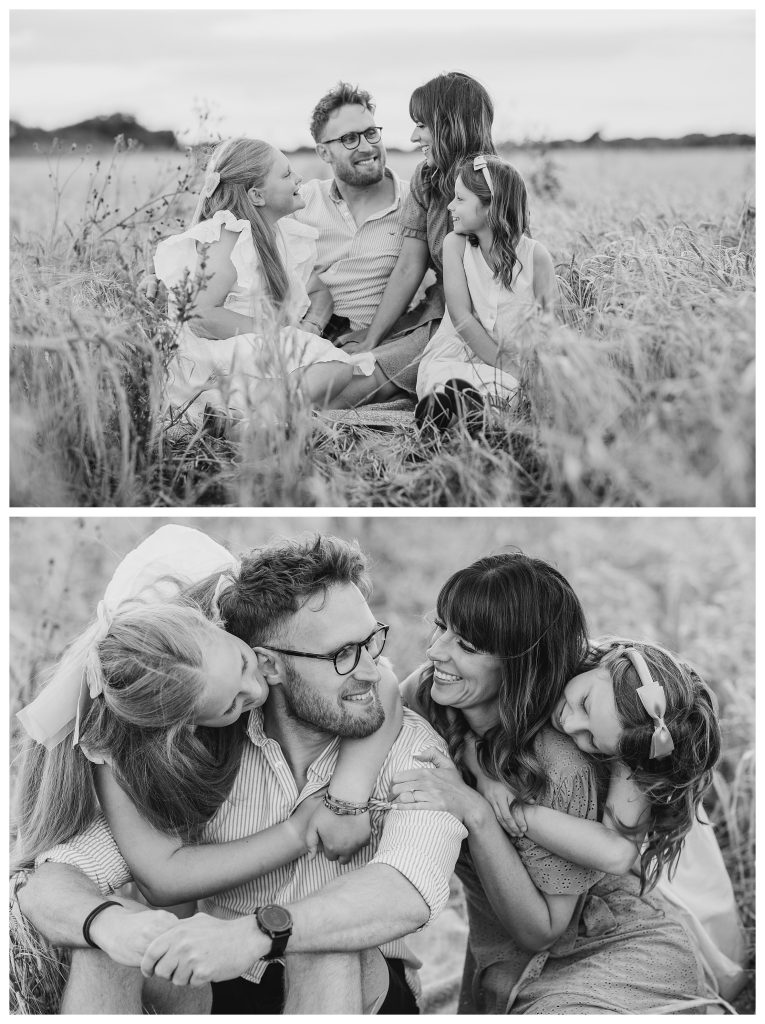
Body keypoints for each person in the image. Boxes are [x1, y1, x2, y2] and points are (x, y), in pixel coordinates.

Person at [16, 531, 466, 1014]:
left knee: (324, 946)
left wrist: (259, 932)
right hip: (224, 983)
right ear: (267, 664)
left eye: (371, 642)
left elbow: (406, 891)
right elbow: (52, 882)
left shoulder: (412, 751)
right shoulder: (209, 751)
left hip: (359, 988)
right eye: (342, 655)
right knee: (117, 942)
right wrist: (110, 924)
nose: (372, 671)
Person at [393, 553, 715, 1014]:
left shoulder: (587, 753)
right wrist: (477, 763)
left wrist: (491, 809)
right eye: (441, 628)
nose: (571, 723)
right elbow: (384, 711)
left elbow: (616, 853)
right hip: (519, 950)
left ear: (522, 664)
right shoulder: (438, 691)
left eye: (466, 645)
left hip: (605, 944)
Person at [464, 638, 747, 1002]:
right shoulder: (577, 662)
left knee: (689, 926)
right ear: (608, 661)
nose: (570, 723)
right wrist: (484, 774)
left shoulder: (636, 740)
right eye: (584, 703)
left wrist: (517, 812)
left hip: (635, 836)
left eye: (592, 741)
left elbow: (617, 853)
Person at [153, 138, 375, 426]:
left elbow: (318, 289)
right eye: (286, 174)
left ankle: (233, 414)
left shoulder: (280, 235)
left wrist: (309, 327)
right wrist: (276, 332)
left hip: (245, 351)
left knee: (333, 368)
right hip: (212, 352)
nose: (299, 178)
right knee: (336, 366)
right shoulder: (230, 234)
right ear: (257, 196)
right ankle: (256, 419)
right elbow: (200, 316)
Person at [336, 72, 497, 407]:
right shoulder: (427, 178)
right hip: (437, 311)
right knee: (349, 358)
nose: (413, 136)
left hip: (482, 321)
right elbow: (409, 266)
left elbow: (508, 280)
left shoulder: (496, 185)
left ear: (450, 126)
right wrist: (373, 336)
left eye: (422, 125)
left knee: (353, 383)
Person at [414, 155, 557, 433]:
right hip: (457, 355)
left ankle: (463, 417)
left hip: (513, 365)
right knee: (439, 378)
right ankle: (449, 411)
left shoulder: (535, 257)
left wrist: (527, 375)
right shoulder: (456, 246)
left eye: (460, 199)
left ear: (492, 205)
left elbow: (548, 327)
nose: (450, 206)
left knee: (506, 390)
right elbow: (461, 317)